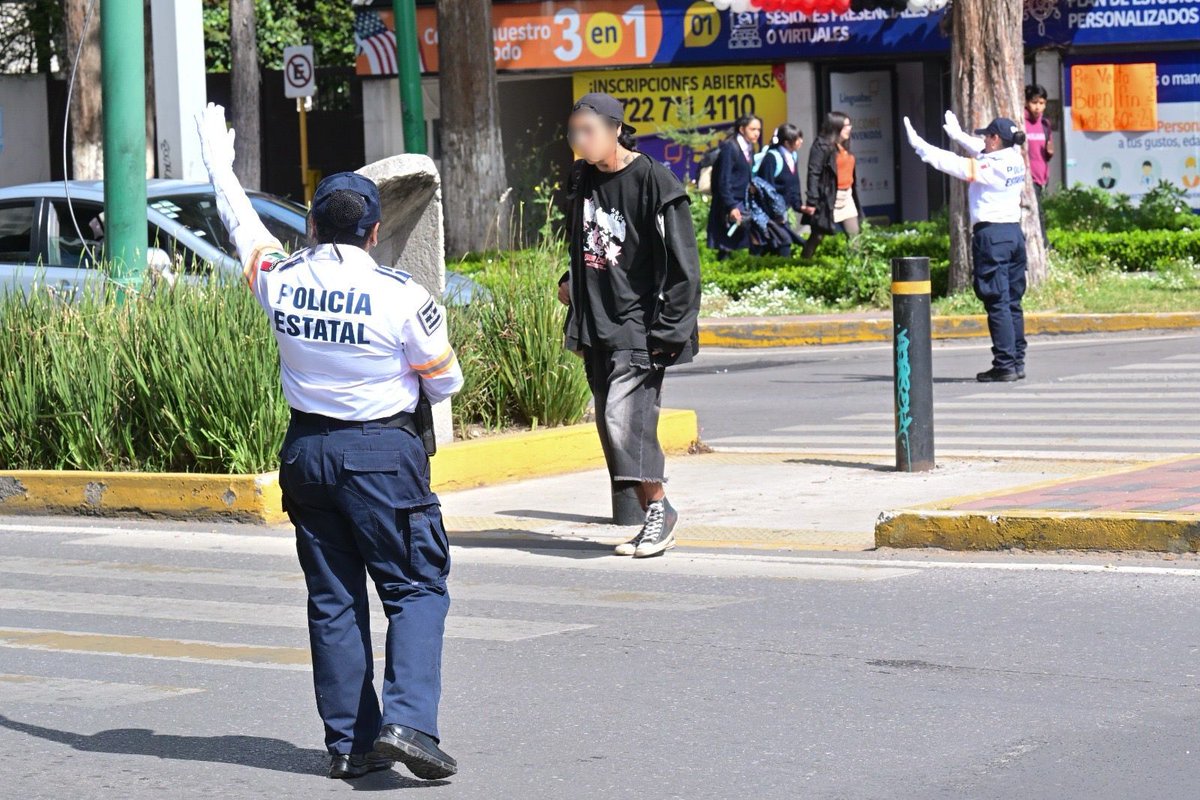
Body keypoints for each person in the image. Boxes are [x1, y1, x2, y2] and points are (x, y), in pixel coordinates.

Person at [194, 103, 463, 782]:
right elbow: (444, 381)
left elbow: (244, 231)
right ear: (374, 233)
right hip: (382, 455)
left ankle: (349, 743)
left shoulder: (281, 282)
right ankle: (408, 724)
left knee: (334, 599)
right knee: (415, 589)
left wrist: (219, 170)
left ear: (311, 226)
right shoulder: (400, 295)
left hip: (308, 456)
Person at [557, 92, 701, 558]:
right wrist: (570, 283)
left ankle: (660, 511)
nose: (580, 141)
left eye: (588, 131)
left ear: (616, 128)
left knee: (625, 421)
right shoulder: (581, 177)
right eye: (574, 131)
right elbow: (585, 241)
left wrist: (670, 332)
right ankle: (651, 515)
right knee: (613, 423)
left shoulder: (655, 182)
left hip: (639, 325)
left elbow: (685, 266)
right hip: (595, 322)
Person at [904, 111, 1029, 382]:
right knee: (1012, 302)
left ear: (996, 139)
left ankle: (1004, 364)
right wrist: (960, 136)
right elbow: (980, 151)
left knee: (997, 301)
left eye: (987, 136)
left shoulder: (992, 167)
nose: (983, 139)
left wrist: (921, 147)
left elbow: (955, 164)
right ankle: (1017, 360)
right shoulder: (1014, 157)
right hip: (1013, 235)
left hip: (992, 237)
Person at [801, 111, 862, 259]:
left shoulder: (845, 146)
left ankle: (857, 271)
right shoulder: (821, 146)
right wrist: (812, 200)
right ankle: (803, 263)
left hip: (846, 196)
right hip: (828, 197)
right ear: (836, 127)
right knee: (817, 237)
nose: (849, 128)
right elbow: (813, 173)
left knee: (855, 239)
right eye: (846, 125)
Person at [706, 113, 762, 260]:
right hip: (730, 204)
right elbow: (723, 180)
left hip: (744, 202)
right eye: (753, 129)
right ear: (742, 129)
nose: (757, 133)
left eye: (758, 130)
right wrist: (731, 206)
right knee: (726, 246)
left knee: (751, 240)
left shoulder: (749, 148)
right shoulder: (730, 148)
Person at [1024, 84, 1054, 247]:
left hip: (1042, 176)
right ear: (1027, 102)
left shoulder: (1045, 124)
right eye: (1035, 102)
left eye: (1042, 103)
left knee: (1039, 211)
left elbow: (1046, 152)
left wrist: (1049, 152)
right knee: (1036, 212)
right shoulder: (1021, 122)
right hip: (1027, 177)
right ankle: (1043, 245)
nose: (1038, 107)